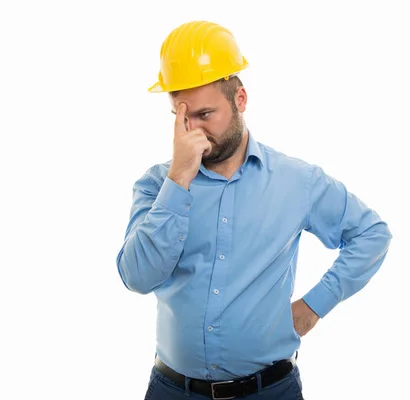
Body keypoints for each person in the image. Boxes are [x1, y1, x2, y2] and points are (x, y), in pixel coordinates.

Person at [116, 20, 392, 400]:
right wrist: (178, 179)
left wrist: (314, 306)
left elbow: (371, 234)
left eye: (204, 114)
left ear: (240, 100)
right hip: (173, 391)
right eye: (181, 117)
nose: (192, 130)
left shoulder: (297, 181)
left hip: (270, 391)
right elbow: (137, 277)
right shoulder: (156, 186)